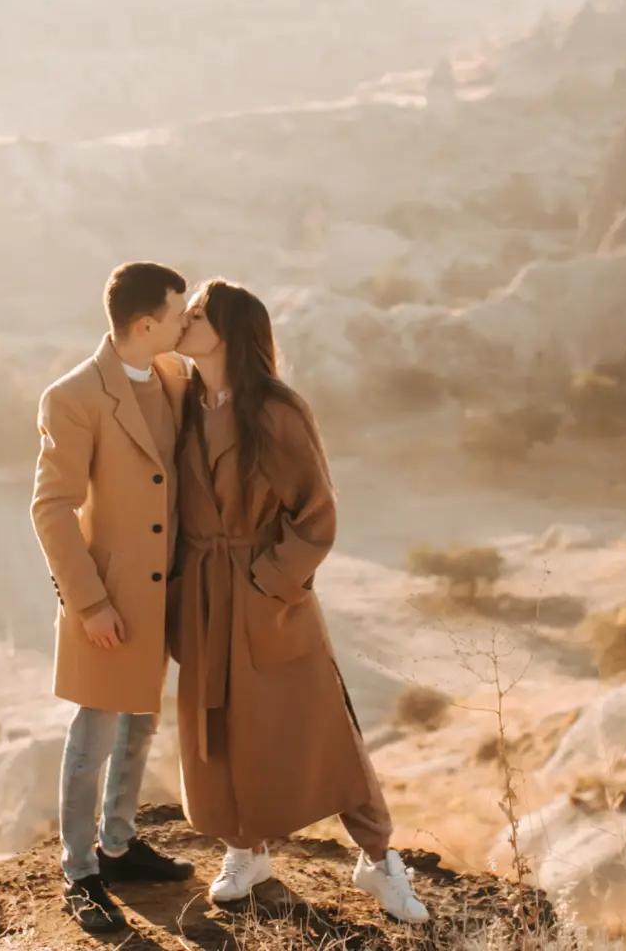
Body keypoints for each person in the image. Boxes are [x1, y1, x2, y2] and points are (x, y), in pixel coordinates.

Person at [167, 278, 430, 923]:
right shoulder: (182, 403)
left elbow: (317, 515)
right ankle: (246, 850)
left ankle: (378, 861)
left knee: (322, 730)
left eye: (198, 313)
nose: (186, 321)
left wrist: (268, 582)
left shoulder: (276, 411)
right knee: (222, 730)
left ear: (228, 331)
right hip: (204, 596)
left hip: (267, 599)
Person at [30, 261, 197, 934]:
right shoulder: (71, 396)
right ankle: (79, 871)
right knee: (93, 731)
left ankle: (120, 844)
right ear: (146, 323)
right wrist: (89, 601)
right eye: (180, 314)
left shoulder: (174, 376)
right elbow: (51, 507)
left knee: (141, 722)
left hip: (161, 596)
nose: (187, 324)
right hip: (108, 599)